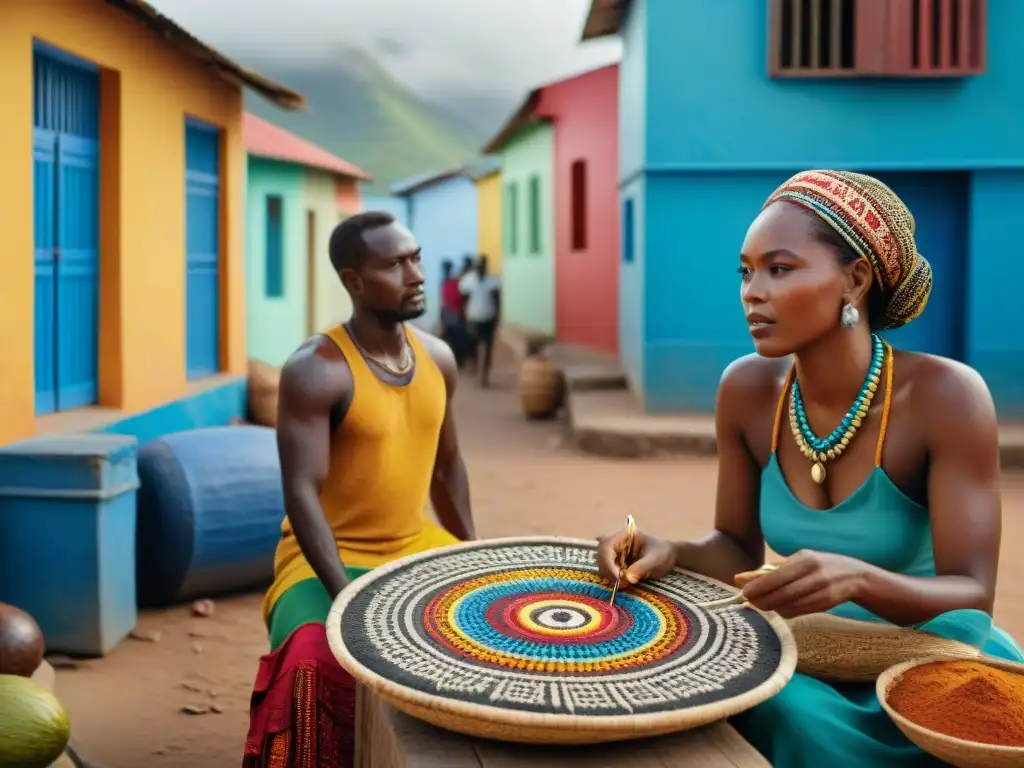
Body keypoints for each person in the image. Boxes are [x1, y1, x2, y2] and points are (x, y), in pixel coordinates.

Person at [595, 170, 1023, 767]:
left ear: (855, 279)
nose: (752, 291)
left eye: (780, 268)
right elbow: (737, 549)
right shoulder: (746, 391)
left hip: (926, 664)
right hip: (801, 656)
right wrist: (668, 551)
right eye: (745, 271)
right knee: (743, 697)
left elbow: (973, 595)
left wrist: (858, 580)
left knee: (781, 713)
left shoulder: (946, 397)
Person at [242, 211, 476, 768]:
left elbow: (448, 469)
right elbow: (300, 491)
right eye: (394, 265)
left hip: (414, 546)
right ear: (352, 281)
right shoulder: (316, 370)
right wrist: (343, 593)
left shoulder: (438, 359)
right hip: (323, 559)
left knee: (488, 632)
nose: (415, 274)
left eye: (415, 257)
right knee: (310, 657)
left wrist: (474, 556)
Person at [459, 254, 501, 387]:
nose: (481, 268)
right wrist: (465, 315)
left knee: (488, 347)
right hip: (474, 317)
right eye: (479, 266)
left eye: (483, 265)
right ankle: (476, 370)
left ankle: (485, 375)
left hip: (488, 317)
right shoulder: (468, 281)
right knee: (474, 345)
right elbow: (464, 300)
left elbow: (497, 301)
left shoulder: (493, 281)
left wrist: (497, 317)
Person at [439, 258, 470, 367]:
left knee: (455, 339)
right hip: (451, 313)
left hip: (454, 313)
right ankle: (457, 360)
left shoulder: (453, 282)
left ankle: (458, 360)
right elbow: (443, 302)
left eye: (447, 268)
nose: (446, 270)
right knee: (452, 339)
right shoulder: (449, 282)